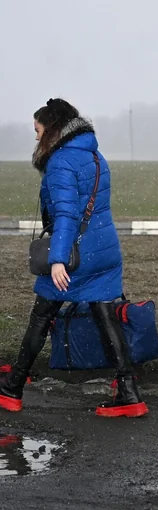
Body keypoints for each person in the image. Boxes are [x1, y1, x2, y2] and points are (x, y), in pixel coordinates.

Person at [0, 98, 147, 417]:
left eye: (38, 130)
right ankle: (129, 392)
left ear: (52, 129)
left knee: (41, 315)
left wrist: (57, 259)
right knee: (107, 318)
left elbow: (66, 214)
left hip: (76, 256)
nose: (36, 138)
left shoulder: (61, 162)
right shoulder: (95, 157)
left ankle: (12, 387)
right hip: (104, 251)